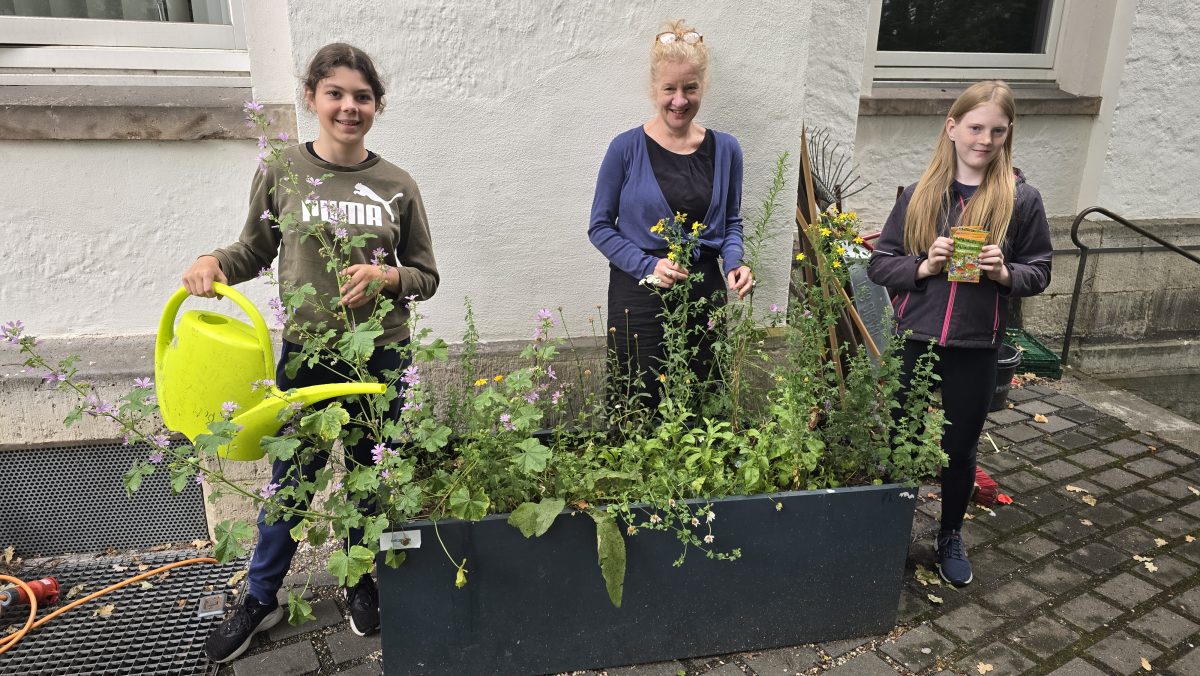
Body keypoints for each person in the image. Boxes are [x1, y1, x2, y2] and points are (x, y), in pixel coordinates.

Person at [181, 43, 439, 662]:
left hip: (380, 358)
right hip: (306, 355)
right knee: (290, 481)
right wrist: (214, 261)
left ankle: (356, 578)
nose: (349, 108)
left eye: (362, 97)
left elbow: (426, 275)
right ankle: (261, 594)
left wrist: (388, 279)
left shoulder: (398, 185)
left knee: (367, 476)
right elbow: (253, 251)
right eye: (336, 94)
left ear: (377, 105)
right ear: (312, 98)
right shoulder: (283, 172)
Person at [867, 80, 1051, 586]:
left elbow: (1040, 269)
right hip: (916, 338)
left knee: (961, 444)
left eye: (996, 129)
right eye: (974, 127)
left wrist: (1005, 274)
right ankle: (887, 528)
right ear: (952, 128)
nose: (984, 139)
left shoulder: (1022, 200)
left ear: (1008, 133)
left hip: (976, 345)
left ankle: (949, 532)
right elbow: (881, 264)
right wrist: (923, 267)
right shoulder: (922, 195)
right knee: (901, 436)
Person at [588, 19, 753, 414]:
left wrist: (735, 263)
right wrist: (649, 265)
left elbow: (731, 222)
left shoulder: (726, 149)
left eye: (690, 88)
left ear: (702, 87)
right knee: (637, 402)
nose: (680, 100)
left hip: (703, 291)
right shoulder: (625, 148)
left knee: (702, 402)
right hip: (640, 293)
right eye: (670, 89)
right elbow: (599, 227)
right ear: (654, 90)